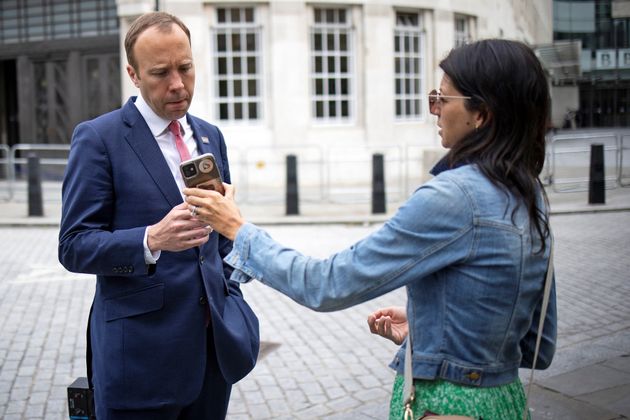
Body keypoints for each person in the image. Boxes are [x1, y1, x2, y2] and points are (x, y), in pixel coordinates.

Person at [184, 39, 557, 419]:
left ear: (482, 114)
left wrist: (237, 228)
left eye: (442, 99)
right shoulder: (529, 193)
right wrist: (432, 327)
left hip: (447, 407)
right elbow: (536, 345)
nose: (434, 110)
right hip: (505, 402)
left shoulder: (454, 197)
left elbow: (325, 284)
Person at [58, 12, 259, 420]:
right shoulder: (99, 138)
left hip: (212, 354)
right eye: (160, 73)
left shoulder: (209, 135)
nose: (178, 85)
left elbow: (218, 244)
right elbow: (73, 245)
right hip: (140, 362)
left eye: (185, 68)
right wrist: (150, 239)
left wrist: (234, 276)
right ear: (133, 74)